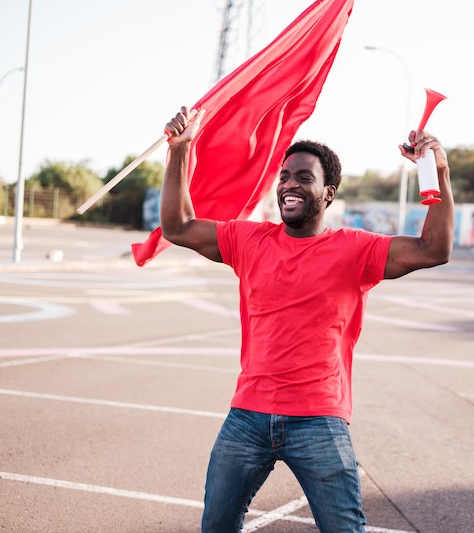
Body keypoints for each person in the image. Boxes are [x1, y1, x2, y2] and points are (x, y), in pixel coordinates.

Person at [160, 106, 455, 533]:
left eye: (303, 177)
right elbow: (178, 226)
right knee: (217, 526)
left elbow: (434, 248)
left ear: (328, 194)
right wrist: (181, 151)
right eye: (284, 176)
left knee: (345, 529)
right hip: (247, 415)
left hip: (319, 418)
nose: (289, 185)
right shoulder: (249, 239)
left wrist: (439, 174)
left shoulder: (356, 249)